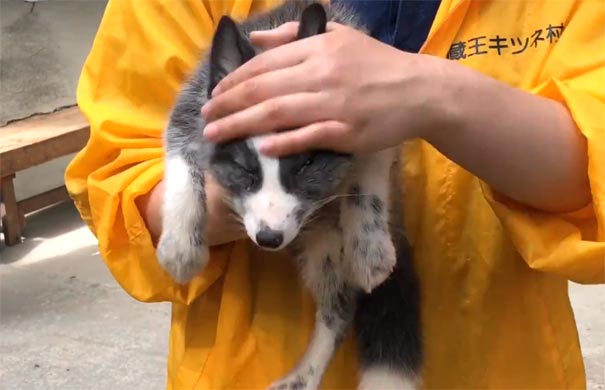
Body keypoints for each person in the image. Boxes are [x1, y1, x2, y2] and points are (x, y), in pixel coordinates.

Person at [65, 0, 604, 388]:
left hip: (499, 361)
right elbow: (122, 177)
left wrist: (435, 97)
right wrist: (219, 204)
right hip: (251, 362)